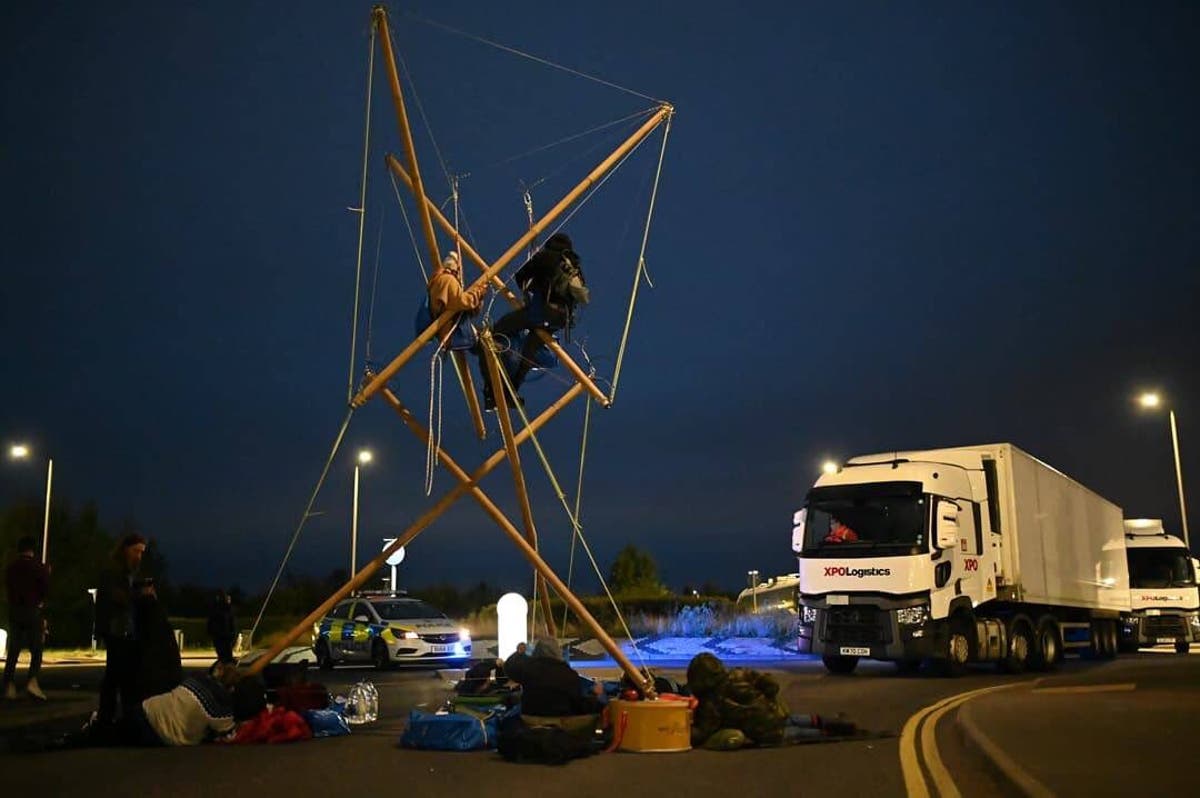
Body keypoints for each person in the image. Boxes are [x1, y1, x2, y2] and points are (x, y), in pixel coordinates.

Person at [481, 233, 588, 411]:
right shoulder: (574, 267)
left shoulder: (545, 256)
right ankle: (510, 393)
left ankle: (492, 389)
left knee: (496, 332)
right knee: (529, 351)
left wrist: (529, 289)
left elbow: (520, 276)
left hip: (539, 313)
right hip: (559, 320)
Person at [94, 534, 148, 724]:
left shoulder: (125, 571)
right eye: (136, 551)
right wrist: (139, 595)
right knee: (117, 675)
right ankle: (109, 717)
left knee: (121, 675)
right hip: (116, 628)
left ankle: (114, 716)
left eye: (141, 552)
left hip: (121, 628)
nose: (139, 556)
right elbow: (117, 597)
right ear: (125, 549)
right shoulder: (113, 571)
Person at [3, 536, 50, 701]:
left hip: (15, 610)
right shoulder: (39, 568)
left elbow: (8, 589)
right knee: (36, 648)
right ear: (32, 550)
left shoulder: (11, 568)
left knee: (14, 650)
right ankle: (32, 680)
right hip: (32, 611)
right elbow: (44, 591)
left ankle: (8, 684)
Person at [504, 639, 603, 717]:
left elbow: (509, 667)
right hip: (563, 721)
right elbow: (578, 704)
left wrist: (519, 652)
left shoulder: (528, 669)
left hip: (531, 718)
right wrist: (595, 695)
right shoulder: (569, 674)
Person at [427, 250, 486, 337]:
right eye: (458, 269)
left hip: (454, 330)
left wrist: (478, 301)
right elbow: (462, 301)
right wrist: (479, 291)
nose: (459, 273)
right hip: (454, 333)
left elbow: (464, 308)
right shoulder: (447, 279)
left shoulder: (439, 281)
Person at [207, 590, 237, 664]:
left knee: (224, 655)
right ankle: (226, 669)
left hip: (222, 635)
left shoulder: (219, 609)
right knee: (225, 655)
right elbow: (230, 622)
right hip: (222, 635)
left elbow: (231, 622)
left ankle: (226, 668)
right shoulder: (224, 610)